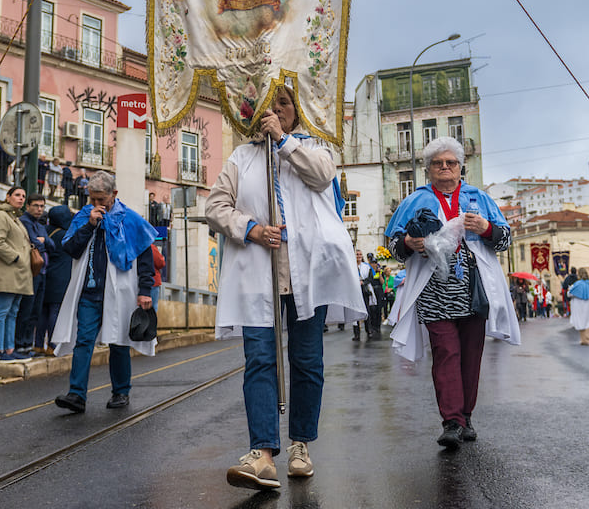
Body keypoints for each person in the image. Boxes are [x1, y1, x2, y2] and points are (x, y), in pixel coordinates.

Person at [206, 85, 365, 490]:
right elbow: (215, 206)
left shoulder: (314, 149)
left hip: (304, 274)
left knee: (307, 361)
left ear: (297, 110)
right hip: (257, 273)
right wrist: (251, 228)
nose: (274, 111)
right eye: (268, 105)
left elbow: (322, 177)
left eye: (283, 104)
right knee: (259, 359)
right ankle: (262, 453)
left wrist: (283, 140)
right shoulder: (242, 157)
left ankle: (300, 445)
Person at [385, 136, 518, 449]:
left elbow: (504, 239)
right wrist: (409, 244)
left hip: (475, 287)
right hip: (434, 289)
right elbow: (392, 244)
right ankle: (452, 421)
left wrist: (485, 227)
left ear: (461, 167)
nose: (445, 168)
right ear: (428, 169)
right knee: (446, 352)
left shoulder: (479, 198)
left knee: (471, 354)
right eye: (437, 163)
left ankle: (466, 415)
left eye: (451, 163)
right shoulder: (414, 200)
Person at [53, 171, 156, 413]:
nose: (97, 205)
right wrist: (89, 226)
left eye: (102, 199)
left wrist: (144, 291)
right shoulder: (82, 217)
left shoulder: (130, 219)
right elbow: (70, 247)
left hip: (120, 292)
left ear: (114, 195)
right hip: (89, 292)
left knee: (118, 342)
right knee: (84, 341)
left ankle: (121, 392)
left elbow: (145, 258)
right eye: (93, 199)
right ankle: (76, 395)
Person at [0, 186, 33, 361]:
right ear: (7, 197)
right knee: (1, 311)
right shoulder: (1, 216)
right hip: (8, 271)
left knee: (12, 312)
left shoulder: (15, 218)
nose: (21, 198)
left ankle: (9, 350)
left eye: (23, 196)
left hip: (18, 272)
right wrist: (16, 258)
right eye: (17, 195)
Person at [36, 204, 74, 355]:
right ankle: (53, 344)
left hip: (44, 274)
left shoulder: (44, 231)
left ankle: (38, 344)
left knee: (43, 312)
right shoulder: (66, 234)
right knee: (55, 311)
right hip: (61, 277)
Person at [15, 193, 50, 356]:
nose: (39, 209)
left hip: (42, 272)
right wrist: (41, 242)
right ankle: (21, 344)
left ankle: (28, 344)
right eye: (36, 205)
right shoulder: (24, 221)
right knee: (26, 309)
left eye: (42, 206)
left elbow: (52, 244)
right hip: (31, 271)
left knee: (36, 310)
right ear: (28, 206)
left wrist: (43, 241)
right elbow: (33, 241)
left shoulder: (40, 224)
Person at [568, 269, 589, 345]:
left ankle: (584, 339)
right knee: (587, 322)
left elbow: (570, 293)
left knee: (581, 321)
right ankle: (587, 339)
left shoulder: (577, 284)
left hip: (579, 305)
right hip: (588, 306)